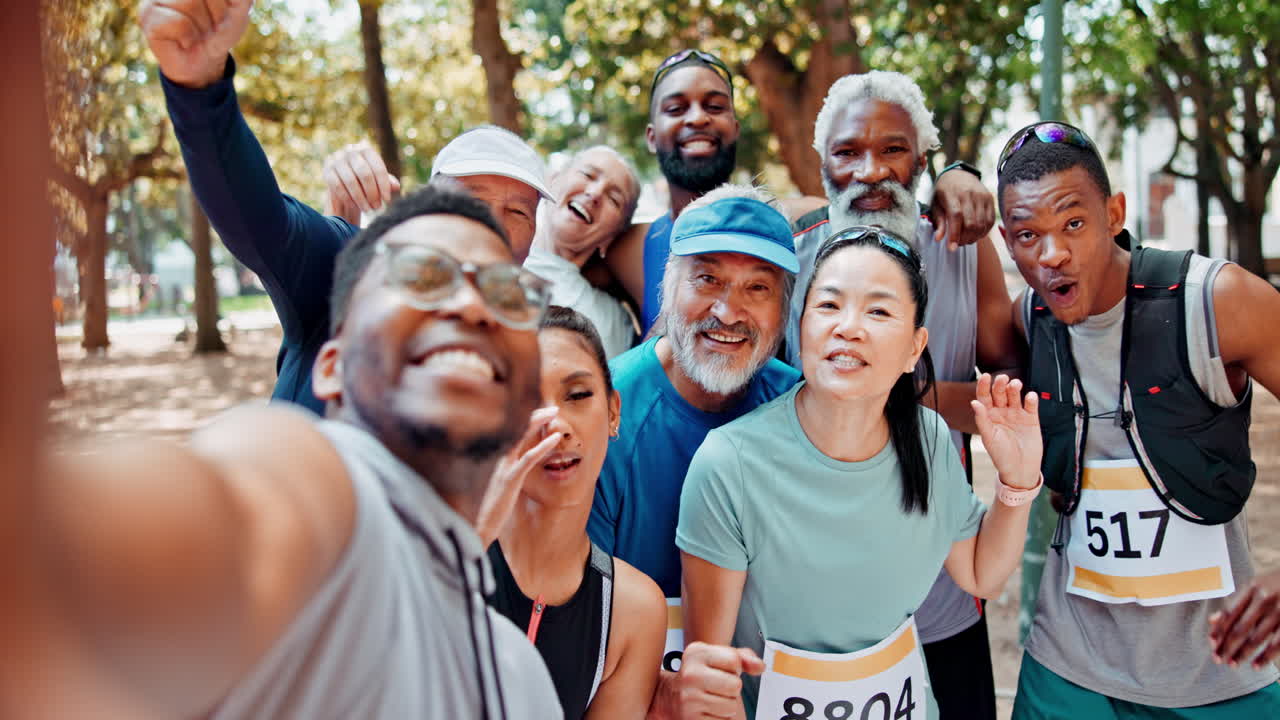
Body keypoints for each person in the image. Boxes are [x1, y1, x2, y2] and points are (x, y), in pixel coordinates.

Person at [9, 184, 565, 718]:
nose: (472, 305)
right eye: (421, 274)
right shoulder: (321, 483)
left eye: (507, 291)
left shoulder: (520, 677)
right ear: (332, 368)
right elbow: (223, 519)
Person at [676, 226, 1043, 719]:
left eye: (878, 311)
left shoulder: (929, 439)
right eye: (829, 305)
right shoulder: (729, 465)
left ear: (914, 348)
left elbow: (982, 574)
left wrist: (1017, 482)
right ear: (800, 327)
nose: (848, 327)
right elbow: (709, 680)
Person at [143, 0, 553, 414]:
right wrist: (201, 89)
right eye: (473, 200)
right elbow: (255, 216)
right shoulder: (350, 266)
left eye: (518, 212)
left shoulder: (528, 340)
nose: (493, 224)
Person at [997, 122, 1280, 718]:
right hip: (1069, 669)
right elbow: (966, 393)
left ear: (1115, 214)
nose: (1052, 254)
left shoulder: (1216, 301)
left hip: (1221, 670)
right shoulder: (1030, 320)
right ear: (1007, 240)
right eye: (1028, 235)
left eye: (1073, 223)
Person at [788, 70, 1021, 719]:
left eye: (892, 149)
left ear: (922, 160)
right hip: (814, 590)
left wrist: (903, 397)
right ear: (822, 162)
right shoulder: (791, 255)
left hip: (943, 587)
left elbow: (1015, 396)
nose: (871, 171)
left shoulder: (964, 250)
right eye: (847, 152)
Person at [601, 49, 999, 336]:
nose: (698, 118)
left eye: (715, 106)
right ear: (650, 136)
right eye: (676, 108)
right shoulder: (628, 249)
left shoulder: (787, 225)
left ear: (736, 128)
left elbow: (868, 207)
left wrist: (955, 175)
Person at [484, 305, 665, 719]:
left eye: (578, 395)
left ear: (614, 412)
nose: (556, 426)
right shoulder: (434, 562)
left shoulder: (632, 610)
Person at [331, 144, 644, 358]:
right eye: (587, 174)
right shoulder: (450, 244)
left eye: (614, 199)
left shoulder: (611, 320)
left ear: (614, 235)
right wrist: (344, 205)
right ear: (553, 181)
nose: (594, 193)